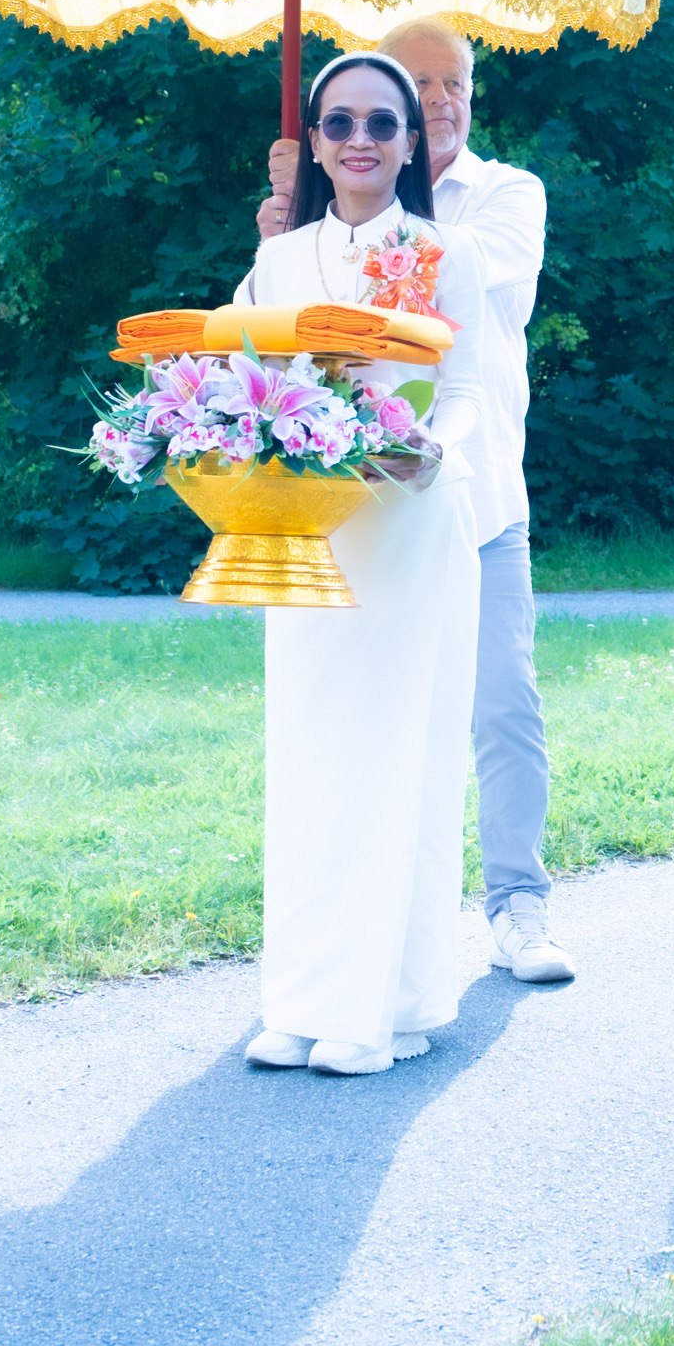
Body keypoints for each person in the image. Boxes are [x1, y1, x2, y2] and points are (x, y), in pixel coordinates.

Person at [265, 21, 568, 984]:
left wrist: (327, 195)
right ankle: (348, 941)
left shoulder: (504, 199)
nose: (436, 101)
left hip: (474, 496)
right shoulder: (303, 239)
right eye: (346, 119)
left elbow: (476, 290)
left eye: (444, 86)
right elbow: (267, 353)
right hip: (341, 525)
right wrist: (296, 220)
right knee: (352, 723)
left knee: (500, 705)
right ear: (322, 132)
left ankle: (518, 905)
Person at [236, 53, 494, 1073]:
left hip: (411, 518)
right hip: (308, 525)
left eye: (381, 124)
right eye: (339, 122)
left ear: (411, 140)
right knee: (308, 757)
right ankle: (300, 998)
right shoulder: (283, 255)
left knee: (399, 756)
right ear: (315, 135)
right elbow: (245, 368)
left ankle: (383, 1005)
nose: (359, 141)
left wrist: (434, 449)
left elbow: (466, 385)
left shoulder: (445, 252)